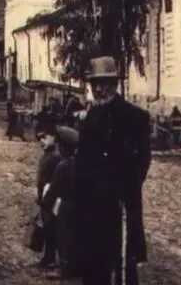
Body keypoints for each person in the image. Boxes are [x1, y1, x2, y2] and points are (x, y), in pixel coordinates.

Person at [76, 57, 151, 285]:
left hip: (122, 206)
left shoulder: (135, 118)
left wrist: (125, 187)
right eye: (95, 84)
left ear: (115, 84)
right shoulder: (90, 119)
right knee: (94, 266)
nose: (99, 89)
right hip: (94, 208)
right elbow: (83, 163)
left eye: (105, 83)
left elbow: (142, 160)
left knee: (123, 265)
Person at [43, 126, 80, 280]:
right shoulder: (81, 163)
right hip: (81, 206)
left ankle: (64, 268)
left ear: (63, 147)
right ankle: (75, 266)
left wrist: (45, 204)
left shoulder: (63, 166)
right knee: (76, 237)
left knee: (63, 235)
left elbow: (54, 190)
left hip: (66, 205)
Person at [34, 125, 62, 270]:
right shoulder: (46, 154)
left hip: (51, 198)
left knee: (52, 229)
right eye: (40, 138)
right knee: (46, 227)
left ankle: (52, 259)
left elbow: (55, 180)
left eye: (45, 138)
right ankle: (48, 256)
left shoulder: (55, 157)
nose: (42, 141)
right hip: (43, 196)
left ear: (54, 138)